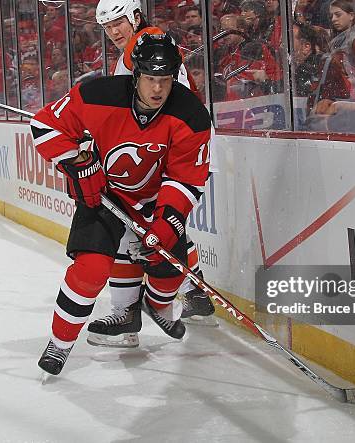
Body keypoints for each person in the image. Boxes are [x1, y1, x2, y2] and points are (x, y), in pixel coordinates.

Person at [33, 33, 212, 375]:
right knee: (90, 270)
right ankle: (59, 344)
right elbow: (44, 124)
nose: (158, 89)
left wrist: (165, 223)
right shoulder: (99, 95)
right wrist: (76, 163)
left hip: (156, 201)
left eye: (165, 80)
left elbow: (186, 178)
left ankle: (156, 306)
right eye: (150, 79)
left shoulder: (191, 114)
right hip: (102, 195)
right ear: (136, 76)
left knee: (166, 273)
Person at [85, 0, 217, 349]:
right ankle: (195, 291)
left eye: (119, 22)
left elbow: (146, 108)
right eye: (107, 26)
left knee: (131, 229)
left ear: (136, 16)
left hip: (167, 147)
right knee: (154, 227)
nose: (113, 31)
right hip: (167, 145)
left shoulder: (144, 47)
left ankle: (127, 321)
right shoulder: (143, 45)